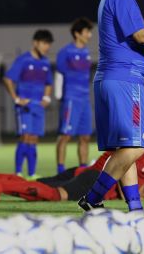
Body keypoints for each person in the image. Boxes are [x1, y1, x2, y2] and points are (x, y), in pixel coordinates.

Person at [78, 0, 144, 212]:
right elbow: (141, 36)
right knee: (136, 147)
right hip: (125, 81)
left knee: (125, 147)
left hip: (109, 79)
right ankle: (93, 197)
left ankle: (135, 208)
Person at [0, 132, 144, 203]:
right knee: (56, 195)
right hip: (92, 179)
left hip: (82, 172)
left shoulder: (137, 151)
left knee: (36, 185)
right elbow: (124, 186)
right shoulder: (139, 154)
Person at [3, 30, 54, 179]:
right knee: (25, 136)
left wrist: (47, 97)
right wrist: (16, 98)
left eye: (48, 44)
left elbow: (49, 83)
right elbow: (7, 79)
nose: (46, 47)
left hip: (38, 106)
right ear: (35, 43)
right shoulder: (23, 60)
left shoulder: (45, 62)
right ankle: (18, 172)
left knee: (34, 138)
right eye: (44, 43)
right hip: (25, 106)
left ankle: (32, 173)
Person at [55, 17, 94, 174]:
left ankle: (83, 169)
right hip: (71, 98)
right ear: (77, 34)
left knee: (85, 137)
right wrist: (59, 96)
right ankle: (61, 170)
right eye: (87, 32)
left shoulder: (86, 52)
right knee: (65, 135)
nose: (89, 35)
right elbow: (59, 74)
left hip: (85, 99)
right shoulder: (65, 52)